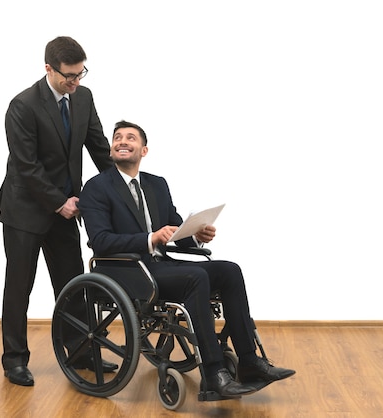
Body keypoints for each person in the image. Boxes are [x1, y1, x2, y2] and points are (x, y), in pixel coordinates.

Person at [78, 120, 295, 398]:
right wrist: (150, 238)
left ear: (143, 150)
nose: (122, 141)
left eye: (130, 138)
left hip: (160, 266)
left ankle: (250, 361)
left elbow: (175, 229)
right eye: (117, 138)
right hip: (124, 271)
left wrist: (196, 236)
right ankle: (214, 373)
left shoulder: (157, 185)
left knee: (229, 270)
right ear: (111, 150)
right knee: (197, 276)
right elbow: (100, 241)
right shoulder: (96, 187)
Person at [0, 36, 117, 387]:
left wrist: (124, 186)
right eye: (69, 77)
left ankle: (80, 352)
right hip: (25, 212)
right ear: (48, 68)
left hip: (65, 209)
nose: (76, 83)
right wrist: (58, 203)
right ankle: (14, 360)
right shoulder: (23, 105)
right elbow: (26, 166)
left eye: (81, 75)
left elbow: (99, 148)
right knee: (19, 288)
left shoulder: (84, 97)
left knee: (73, 286)